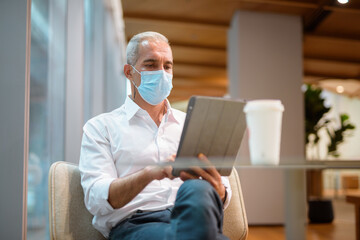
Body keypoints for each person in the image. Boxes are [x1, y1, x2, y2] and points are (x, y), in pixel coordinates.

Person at [79, 31, 232, 240]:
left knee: (196, 188)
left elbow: (222, 188)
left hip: (196, 215)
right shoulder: (101, 127)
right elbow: (96, 199)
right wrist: (150, 173)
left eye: (167, 66)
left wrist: (219, 190)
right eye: (151, 65)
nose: (161, 72)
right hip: (138, 225)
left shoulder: (192, 123)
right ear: (129, 72)